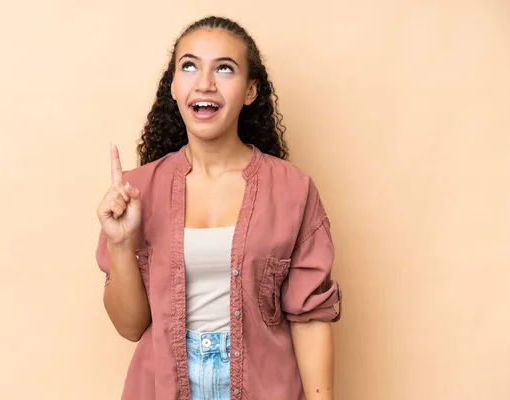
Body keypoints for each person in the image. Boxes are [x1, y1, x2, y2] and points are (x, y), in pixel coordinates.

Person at [95, 16, 342, 400]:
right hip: (161, 387)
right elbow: (131, 326)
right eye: (189, 66)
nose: (205, 83)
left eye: (224, 68)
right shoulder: (136, 191)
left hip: (265, 387)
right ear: (174, 86)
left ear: (250, 91)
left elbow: (309, 318)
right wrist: (121, 244)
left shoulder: (293, 189)